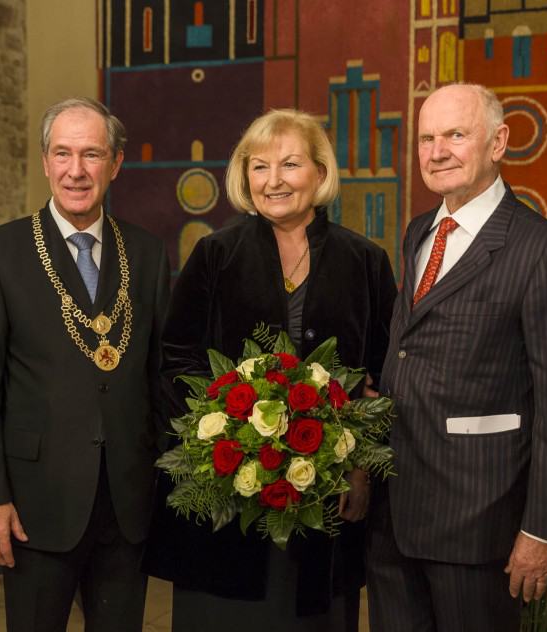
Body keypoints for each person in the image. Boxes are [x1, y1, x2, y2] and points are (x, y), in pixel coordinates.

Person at [142, 108, 397, 631]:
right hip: (225, 504)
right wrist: (218, 442)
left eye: (290, 164)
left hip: (328, 501)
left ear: (321, 173)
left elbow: (382, 377)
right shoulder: (213, 255)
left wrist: (358, 468)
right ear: (244, 176)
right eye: (259, 166)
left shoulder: (366, 261)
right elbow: (177, 361)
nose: (273, 180)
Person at [366, 83, 547, 632]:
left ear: (499, 142)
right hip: (394, 513)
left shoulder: (544, 251)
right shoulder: (420, 232)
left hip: (480, 522)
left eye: (455, 135)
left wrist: (542, 531)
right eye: (426, 138)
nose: (437, 150)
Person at [0, 97, 169, 631]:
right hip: (35, 503)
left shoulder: (148, 254)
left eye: (92, 154)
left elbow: (159, 377)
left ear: (116, 163)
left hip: (126, 501)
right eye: (63, 154)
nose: (76, 171)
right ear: (45, 160)